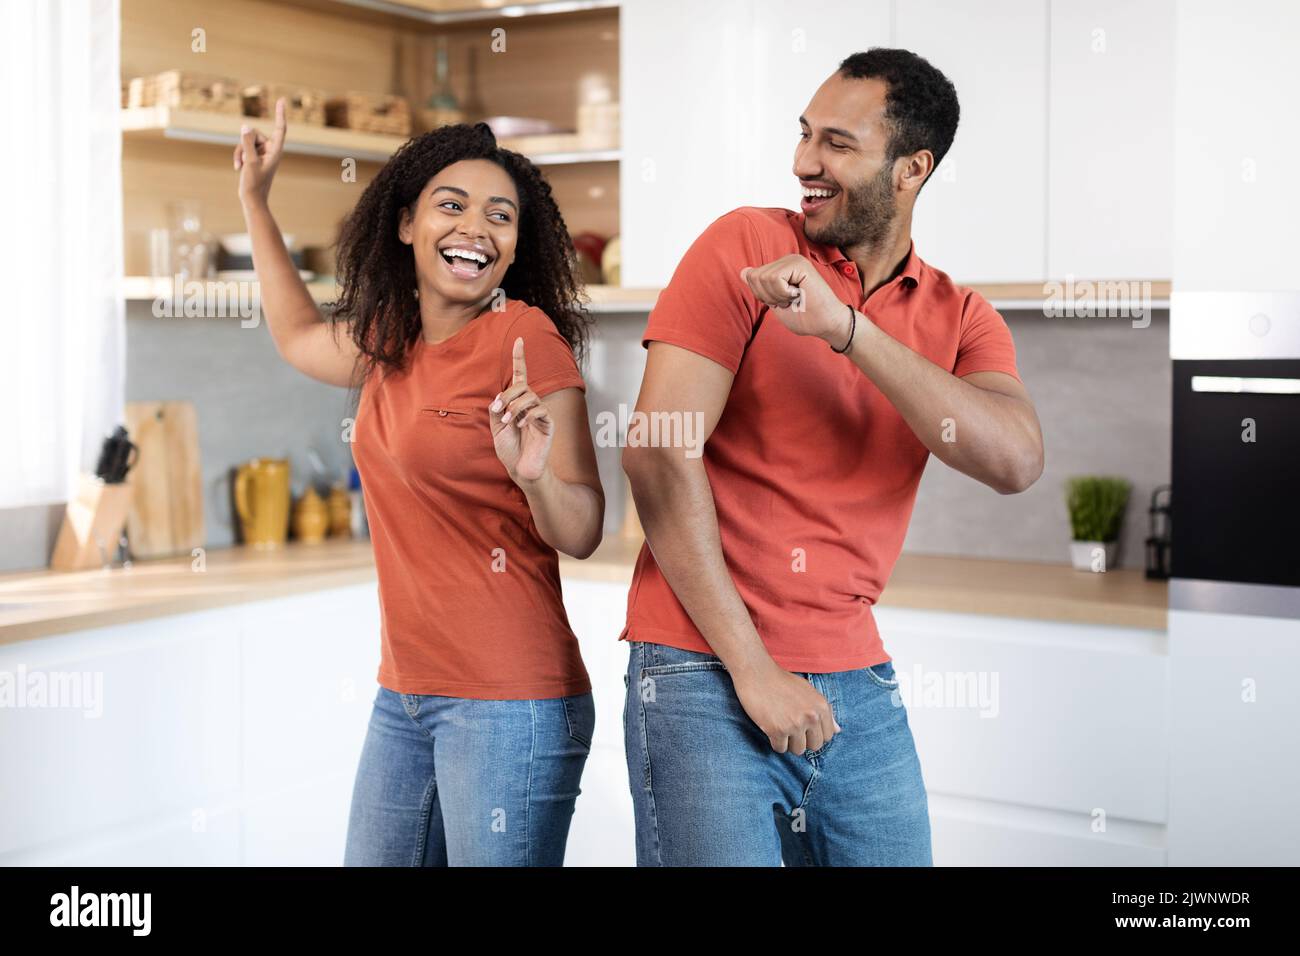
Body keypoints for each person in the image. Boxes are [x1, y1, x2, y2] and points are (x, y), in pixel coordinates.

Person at [620, 48, 1045, 866]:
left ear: (911, 168)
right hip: (700, 666)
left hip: (856, 680)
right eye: (805, 134)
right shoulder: (747, 247)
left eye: (838, 144)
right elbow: (655, 454)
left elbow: (1015, 459)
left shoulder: (961, 314)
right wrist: (753, 670)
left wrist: (850, 332)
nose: (803, 163)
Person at [234, 102, 605, 866]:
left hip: (511, 702)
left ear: (512, 248)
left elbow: (582, 528)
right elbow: (299, 334)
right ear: (406, 225)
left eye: (500, 216)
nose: (476, 226)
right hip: (404, 695)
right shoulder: (390, 342)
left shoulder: (522, 337)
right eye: (451, 205)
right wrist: (254, 200)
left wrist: (532, 477)